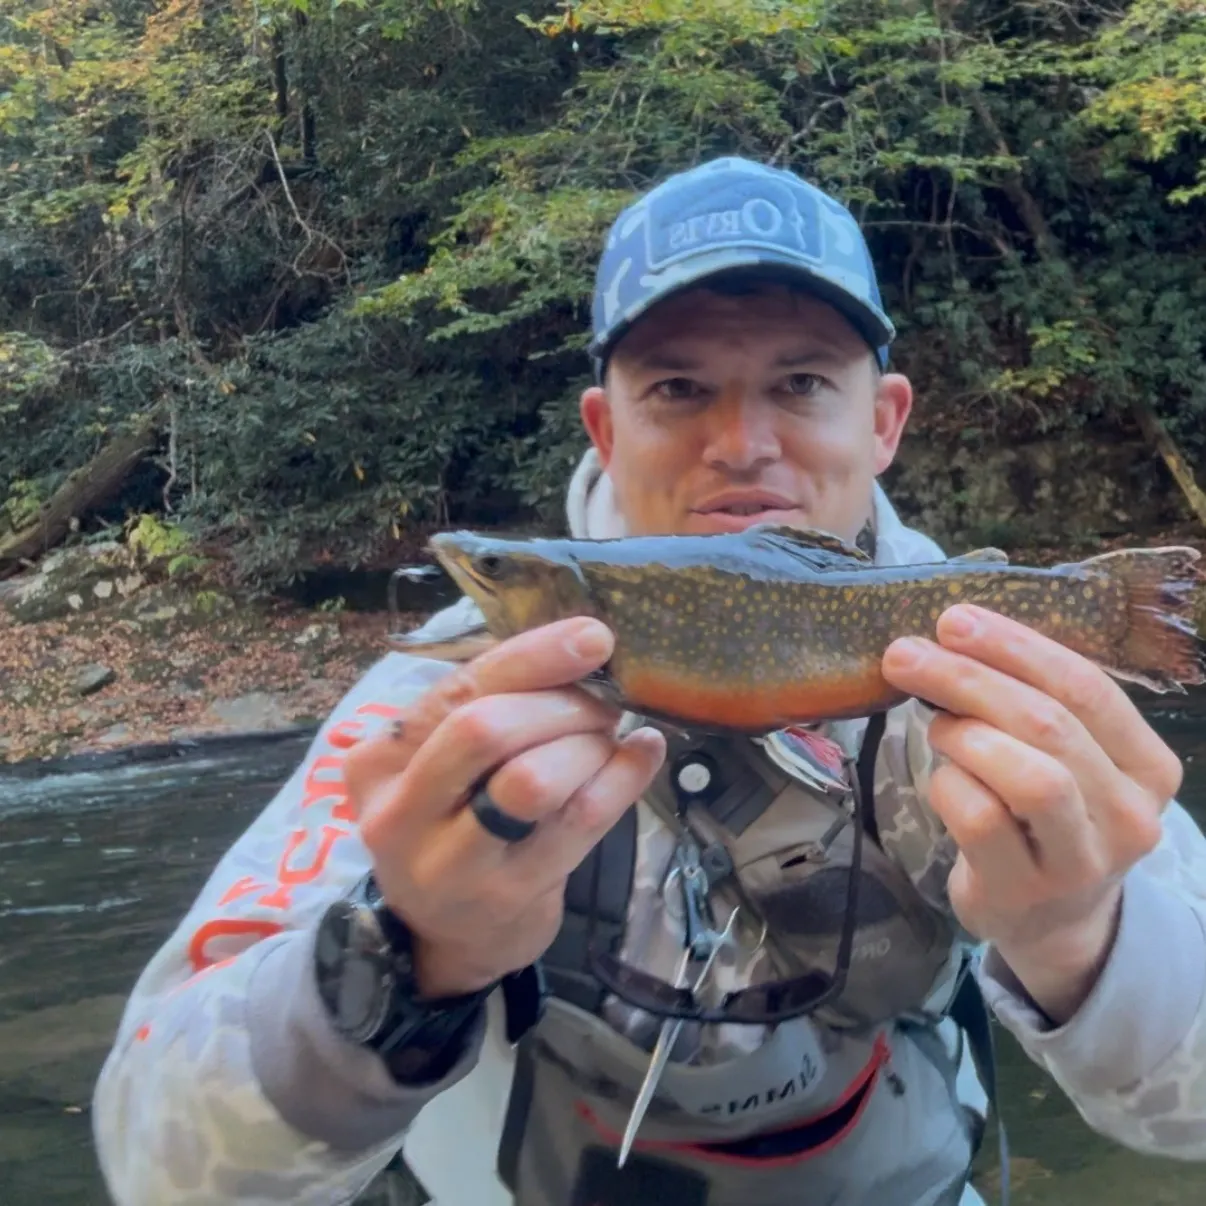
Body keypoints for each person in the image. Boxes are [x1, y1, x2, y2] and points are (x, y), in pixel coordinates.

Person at [92, 157, 1206, 1206]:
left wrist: (1081, 934)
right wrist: (411, 953)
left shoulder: (989, 659)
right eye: (678, 387)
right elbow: (161, 1170)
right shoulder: (449, 706)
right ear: (606, 431)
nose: (743, 443)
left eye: (802, 382)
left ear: (883, 422)